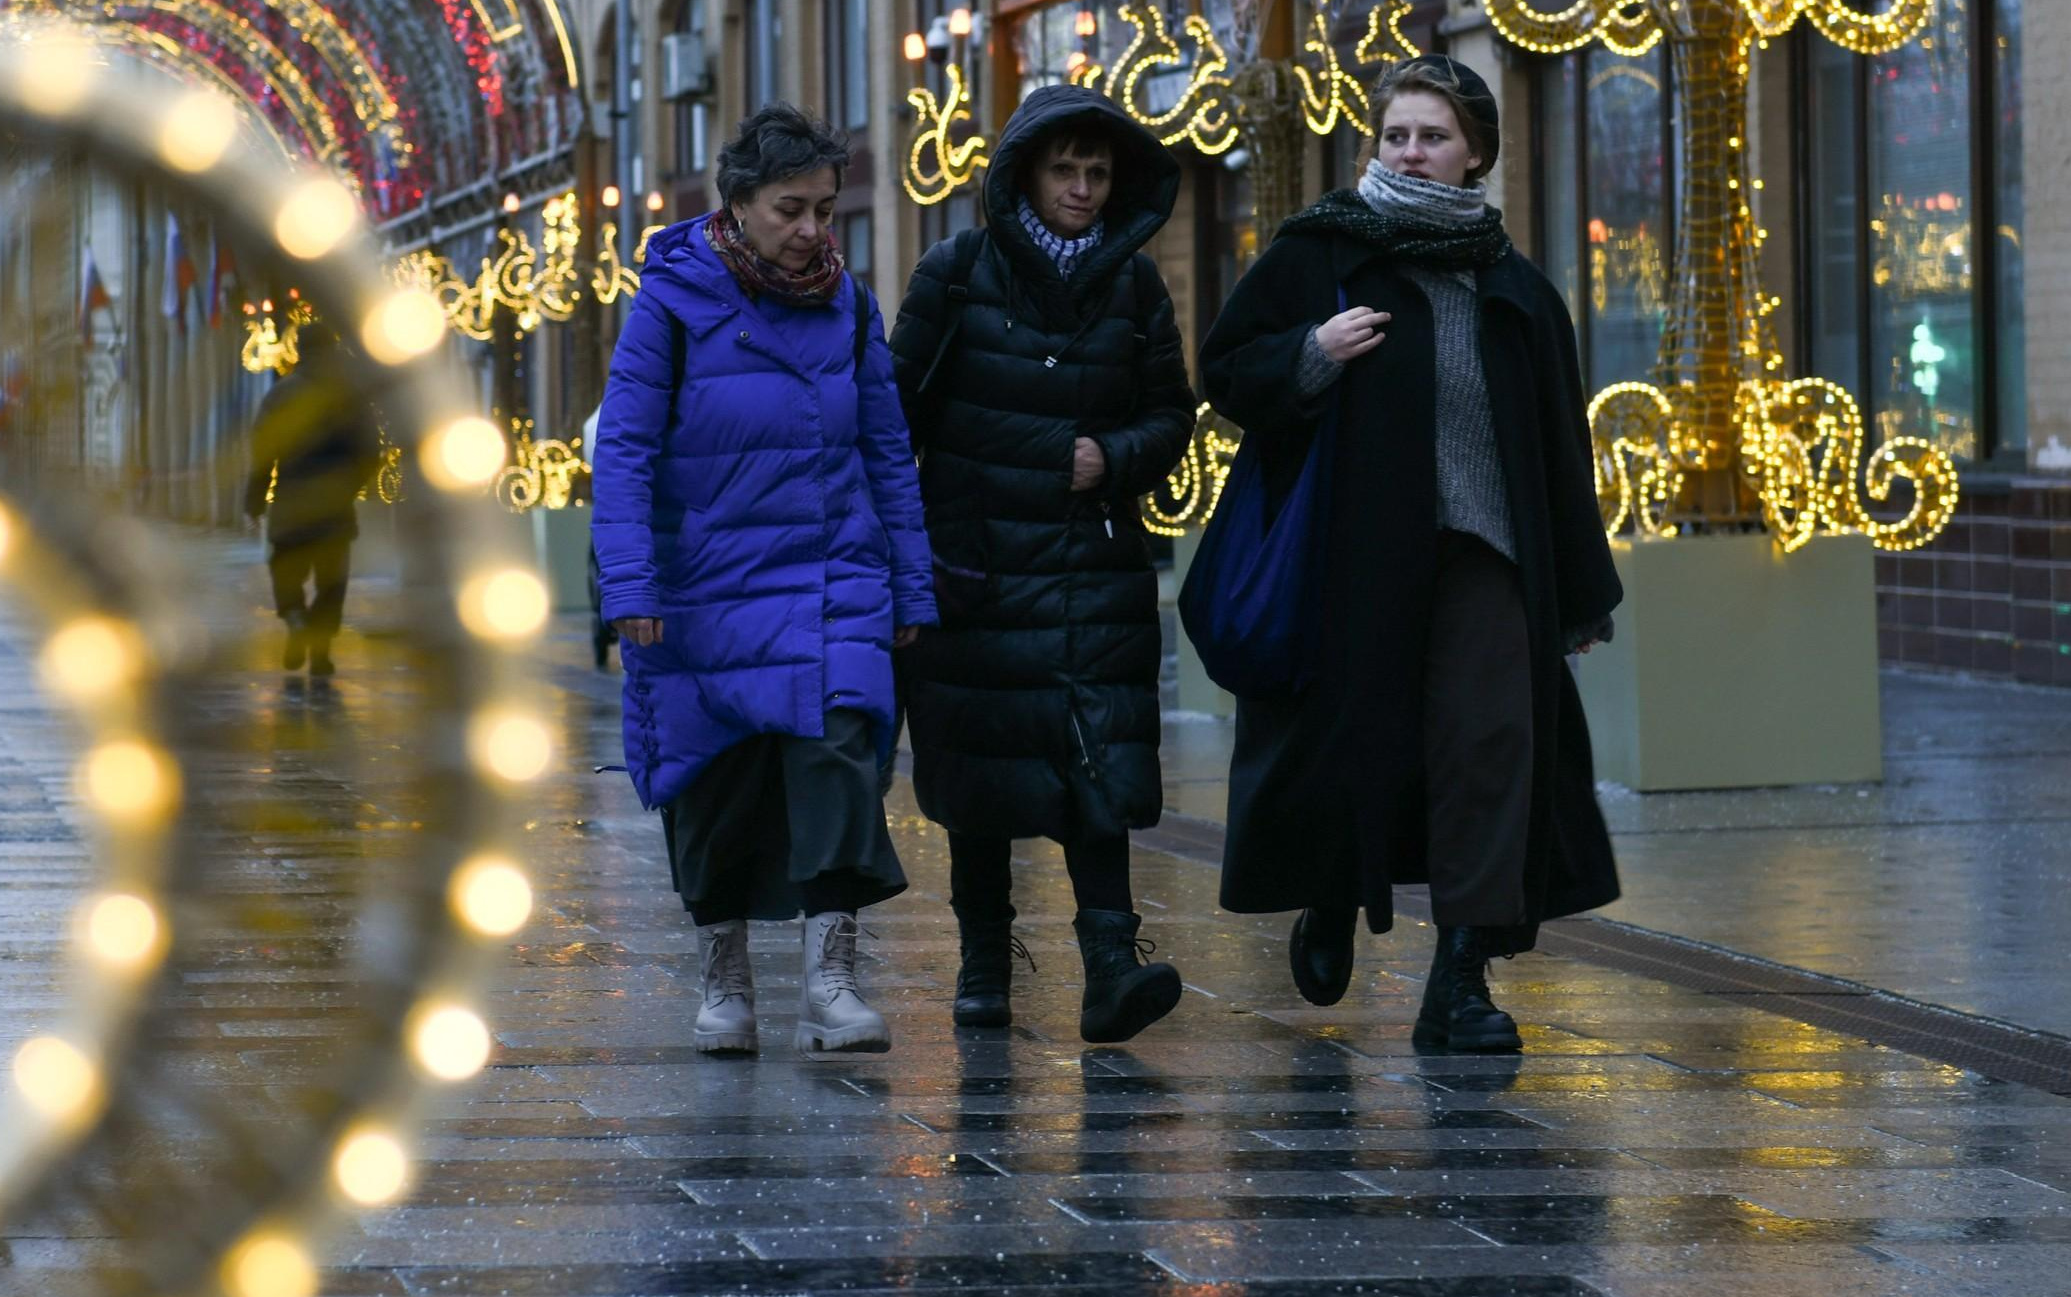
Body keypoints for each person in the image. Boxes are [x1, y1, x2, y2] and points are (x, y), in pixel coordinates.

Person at [1196, 54, 1625, 1054]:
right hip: (1351, 560)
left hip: (1486, 560)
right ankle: (1328, 896)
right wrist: (1309, 355)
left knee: (1490, 751)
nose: (1412, 153)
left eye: (1433, 136)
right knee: (1352, 746)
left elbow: (1559, 446)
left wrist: (1577, 590)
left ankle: (1461, 980)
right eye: (1395, 135)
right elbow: (1226, 370)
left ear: (1475, 152)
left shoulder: (1515, 288)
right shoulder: (1321, 253)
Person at [593, 104, 936, 1058]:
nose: (812, 230)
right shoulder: (670, 303)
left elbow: (886, 451)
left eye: (826, 210)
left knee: (840, 761)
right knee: (715, 778)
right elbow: (622, 451)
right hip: (705, 584)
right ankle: (725, 975)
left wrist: (910, 586)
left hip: (833, 578)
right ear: (736, 202)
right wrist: (631, 585)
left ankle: (831, 979)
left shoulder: (852, 306)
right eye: (792, 208)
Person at [892, 83, 1195, 1043]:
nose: (1082, 188)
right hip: (977, 570)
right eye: (1064, 168)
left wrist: (1116, 456)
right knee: (983, 768)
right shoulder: (956, 271)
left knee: (1095, 761)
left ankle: (1112, 961)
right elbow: (895, 413)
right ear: (1023, 171)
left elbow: (1171, 413)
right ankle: (986, 963)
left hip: (1094, 566)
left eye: (1099, 171)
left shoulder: (1136, 284)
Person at [241, 321, 372, 688]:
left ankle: (296, 618)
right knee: (332, 583)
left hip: (290, 507)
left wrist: (254, 501)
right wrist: (351, 485)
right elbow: (370, 452)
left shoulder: (280, 396)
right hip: (335, 508)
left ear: (299, 351)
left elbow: (263, 453)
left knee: (285, 570)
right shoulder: (348, 399)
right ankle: (320, 653)